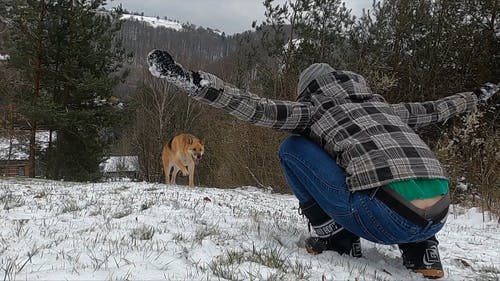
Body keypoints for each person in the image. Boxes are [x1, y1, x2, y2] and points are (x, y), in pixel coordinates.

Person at [146, 49, 499, 279]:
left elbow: (255, 107)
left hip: (381, 217)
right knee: (388, 166)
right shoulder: (388, 108)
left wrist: (190, 81)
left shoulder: (312, 108)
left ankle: (336, 236)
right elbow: (439, 108)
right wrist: (479, 94)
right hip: (439, 214)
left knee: (293, 147)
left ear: (309, 89)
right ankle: (423, 249)